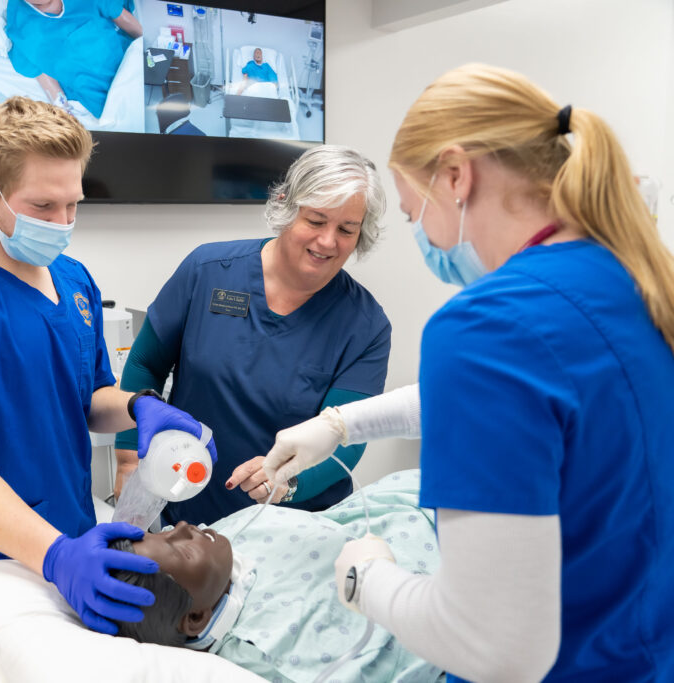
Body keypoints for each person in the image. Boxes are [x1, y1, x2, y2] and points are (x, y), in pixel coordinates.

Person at [266, 63, 674, 682]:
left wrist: (367, 577)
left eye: (411, 215)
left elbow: (497, 651)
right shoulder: (636, 279)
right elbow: (533, 402)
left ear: (456, 176)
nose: (423, 237)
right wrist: (341, 423)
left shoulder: (489, 323)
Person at [0, 96, 216, 635]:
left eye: (73, 206)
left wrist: (137, 407)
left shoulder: (73, 280)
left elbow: (86, 401)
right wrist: (54, 556)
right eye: (42, 208)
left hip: (69, 538)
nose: (62, 224)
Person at [114, 145, 391, 526]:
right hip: (188, 511)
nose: (328, 241)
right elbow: (146, 364)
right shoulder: (208, 272)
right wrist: (130, 458)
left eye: (346, 229)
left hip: (293, 527)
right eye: (315, 220)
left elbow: (349, 437)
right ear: (285, 206)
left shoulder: (365, 325)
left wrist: (289, 482)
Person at [108, 470, 443, 683]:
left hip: (408, 500)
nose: (181, 528)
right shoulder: (266, 651)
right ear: (197, 618)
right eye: (182, 549)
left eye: (164, 533)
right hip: (436, 563)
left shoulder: (218, 549)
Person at [5, 0, 143, 119]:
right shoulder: (21, 28)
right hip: (102, 94)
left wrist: (148, 46)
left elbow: (119, 15)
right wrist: (64, 111)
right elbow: (41, 71)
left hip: (130, 61)